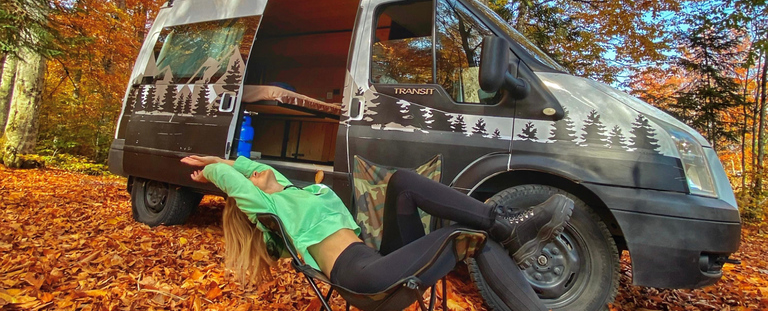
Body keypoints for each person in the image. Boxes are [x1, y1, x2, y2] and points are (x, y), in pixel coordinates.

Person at [181, 155, 574, 311]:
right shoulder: (271, 210)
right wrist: (216, 165)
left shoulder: (291, 192)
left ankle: (503, 223)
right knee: (464, 237)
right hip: (363, 280)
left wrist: (243, 165)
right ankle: (506, 231)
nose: (254, 170)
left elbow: (266, 174)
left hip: (380, 259)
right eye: (248, 174)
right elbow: (237, 181)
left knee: (403, 181)